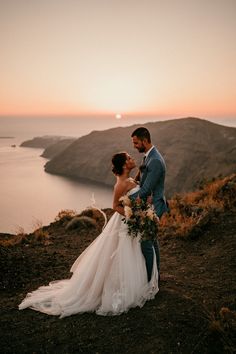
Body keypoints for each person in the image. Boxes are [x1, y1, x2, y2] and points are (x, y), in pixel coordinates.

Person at [18, 152, 159, 318]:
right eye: (128, 158)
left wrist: (141, 175)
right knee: (122, 254)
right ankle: (121, 287)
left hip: (132, 221)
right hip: (126, 222)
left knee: (133, 252)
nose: (131, 159)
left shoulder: (128, 180)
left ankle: (141, 282)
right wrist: (133, 216)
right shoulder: (120, 184)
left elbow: (134, 187)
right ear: (123, 165)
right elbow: (115, 206)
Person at [131, 127, 169, 281]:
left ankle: (149, 280)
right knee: (151, 240)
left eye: (136, 143)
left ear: (144, 141)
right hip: (149, 204)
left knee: (146, 242)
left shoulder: (155, 161)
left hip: (155, 206)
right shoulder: (148, 157)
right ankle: (155, 276)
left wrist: (125, 199)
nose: (134, 146)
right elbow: (142, 180)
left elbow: (146, 190)